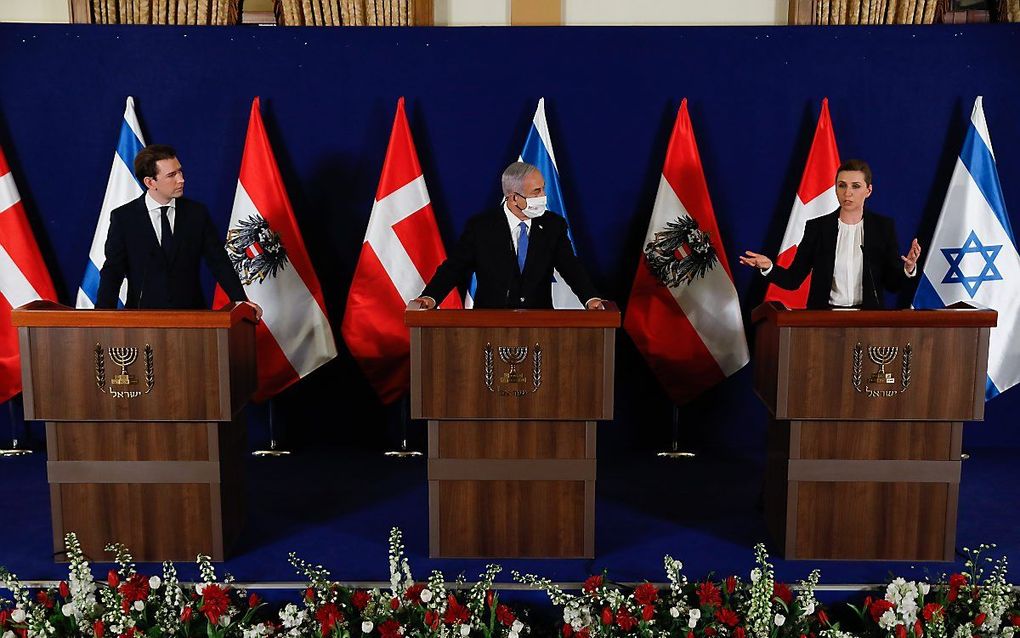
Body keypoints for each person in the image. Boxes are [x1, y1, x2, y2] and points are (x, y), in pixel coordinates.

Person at [413, 161, 604, 310]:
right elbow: (454, 268)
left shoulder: (553, 225)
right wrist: (430, 297)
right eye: (537, 191)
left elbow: (571, 267)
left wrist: (591, 298)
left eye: (543, 188)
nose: (544, 196)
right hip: (490, 324)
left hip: (540, 324)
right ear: (513, 198)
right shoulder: (481, 228)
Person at [96, 144, 260, 317]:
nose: (181, 179)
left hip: (192, 318)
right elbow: (113, 271)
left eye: (180, 172)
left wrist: (241, 301)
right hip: (142, 319)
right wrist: (101, 315)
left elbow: (219, 262)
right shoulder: (124, 218)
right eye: (171, 175)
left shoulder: (196, 214)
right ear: (150, 182)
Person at [739, 159, 922, 309]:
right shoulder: (817, 227)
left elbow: (892, 285)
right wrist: (769, 267)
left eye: (855, 186)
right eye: (842, 185)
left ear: (869, 190)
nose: (847, 192)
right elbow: (793, 279)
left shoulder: (883, 228)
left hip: (868, 321)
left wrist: (908, 269)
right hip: (824, 320)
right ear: (835, 189)